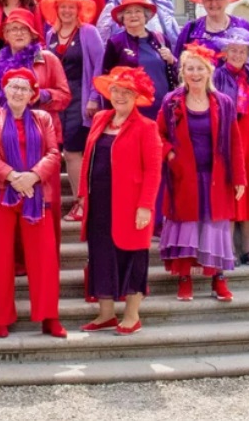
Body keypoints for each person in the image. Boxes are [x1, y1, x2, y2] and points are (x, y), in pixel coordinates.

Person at [0, 68, 65, 338]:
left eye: (24, 88)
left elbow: (54, 153)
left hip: (35, 195)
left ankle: (49, 317)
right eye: (13, 86)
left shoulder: (42, 118)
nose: (18, 92)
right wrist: (13, 176)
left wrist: (33, 176)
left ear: (32, 94)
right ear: (4, 90)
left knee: (44, 259)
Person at [158, 45, 246, 302]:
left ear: (209, 72)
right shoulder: (171, 101)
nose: (195, 74)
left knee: (214, 228)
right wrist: (170, 155)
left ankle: (218, 278)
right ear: (182, 72)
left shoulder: (224, 102)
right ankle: (185, 278)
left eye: (200, 69)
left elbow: (234, 142)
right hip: (183, 176)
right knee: (186, 228)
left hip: (216, 176)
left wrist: (239, 178)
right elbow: (158, 134)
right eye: (190, 68)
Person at [78, 67, 162, 335]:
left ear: (136, 96)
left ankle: (132, 316)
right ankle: (106, 315)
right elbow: (88, 160)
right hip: (99, 202)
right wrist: (82, 195)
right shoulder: (100, 118)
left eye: (127, 91)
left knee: (133, 256)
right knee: (101, 255)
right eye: (116, 90)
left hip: (131, 204)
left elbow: (153, 170)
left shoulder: (147, 127)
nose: (120, 96)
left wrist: (145, 206)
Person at [39, 0, 103, 222]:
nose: (66, 11)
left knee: (73, 151)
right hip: (58, 101)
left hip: (80, 97)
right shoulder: (50, 35)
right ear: (56, 9)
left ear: (78, 9)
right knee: (61, 150)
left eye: (71, 7)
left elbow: (99, 64)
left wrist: (94, 97)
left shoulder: (88, 32)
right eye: (63, 6)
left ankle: (82, 203)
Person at [214, 27, 249, 266]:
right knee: (229, 190)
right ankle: (228, 250)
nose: (237, 55)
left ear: (248, 54)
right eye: (234, 50)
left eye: (242, 51)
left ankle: (248, 250)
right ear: (225, 52)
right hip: (229, 135)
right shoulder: (216, 76)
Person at [101, 0, 177, 120]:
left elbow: (175, 74)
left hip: (161, 107)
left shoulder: (161, 39)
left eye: (138, 11)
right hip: (131, 109)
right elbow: (107, 78)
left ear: (146, 16)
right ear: (122, 18)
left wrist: (172, 60)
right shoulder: (115, 42)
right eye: (128, 12)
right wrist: (111, 113)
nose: (133, 15)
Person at [175, 0, 249, 61]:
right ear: (203, 2)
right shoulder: (191, 28)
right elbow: (178, 61)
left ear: (227, 1)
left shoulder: (242, 25)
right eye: (209, 0)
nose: (214, 4)